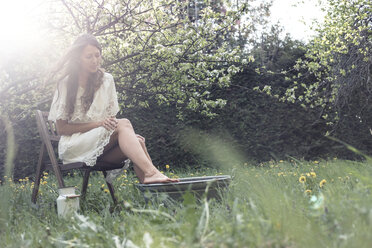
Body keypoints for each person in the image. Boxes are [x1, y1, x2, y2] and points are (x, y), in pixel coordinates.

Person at [47, 34, 178, 184]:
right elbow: (62, 129)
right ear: (78, 58)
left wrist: (107, 126)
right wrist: (97, 124)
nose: (95, 60)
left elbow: (110, 123)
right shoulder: (66, 83)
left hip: (99, 145)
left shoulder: (107, 80)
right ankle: (152, 173)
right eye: (88, 57)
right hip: (75, 146)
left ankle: (153, 191)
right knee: (124, 123)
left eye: (97, 55)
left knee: (138, 142)